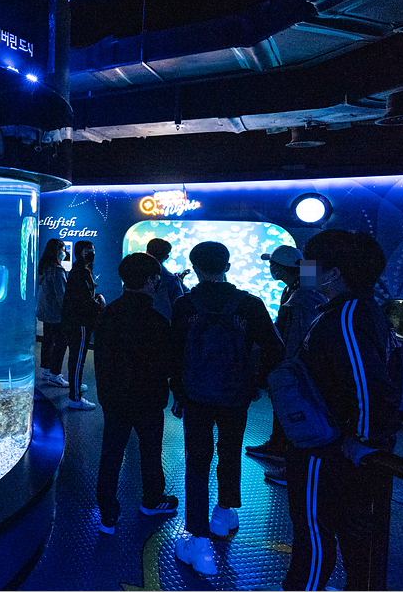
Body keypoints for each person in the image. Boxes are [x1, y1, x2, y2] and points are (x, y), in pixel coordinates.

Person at [282, 230, 401, 591]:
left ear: (332, 272)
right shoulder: (351, 310)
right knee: (350, 529)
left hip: (326, 448)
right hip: (333, 444)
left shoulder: (347, 315)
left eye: (308, 261)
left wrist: (362, 441)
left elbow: (368, 385)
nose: (302, 267)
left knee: (314, 531)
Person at [171, 241, 284, 575]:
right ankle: (224, 513)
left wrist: (177, 392)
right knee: (230, 452)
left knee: (197, 461)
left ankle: (199, 543)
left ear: (194, 266)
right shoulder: (249, 304)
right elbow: (274, 349)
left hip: (195, 397)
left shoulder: (183, 304)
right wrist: (255, 383)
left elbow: (174, 354)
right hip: (236, 396)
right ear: (228, 265)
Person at [93, 253, 179, 533]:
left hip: (113, 397)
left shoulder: (108, 314)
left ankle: (107, 511)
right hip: (148, 398)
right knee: (151, 449)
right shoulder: (157, 320)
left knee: (111, 451)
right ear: (152, 280)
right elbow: (167, 363)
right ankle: (153, 499)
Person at [245, 244, 327, 486]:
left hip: (297, 365)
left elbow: (298, 332)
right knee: (286, 405)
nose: (270, 269)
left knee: (296, 408)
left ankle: (294, 465)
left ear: (281, 268)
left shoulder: (302, 295)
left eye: (272, 265)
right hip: (297, 362)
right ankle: (278, 445)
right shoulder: (300, 285)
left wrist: (288, 366)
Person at [60, 240, 105, 410]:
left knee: (77, 359)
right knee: (77, 359)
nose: (92, 253)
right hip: (79, 322)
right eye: (88, 250)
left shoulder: (82, 270)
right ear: (80, 252)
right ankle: (75, 398)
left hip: (78, 320)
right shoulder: (79, 272)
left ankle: (76, 387)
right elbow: (81, 300)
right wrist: (99, 304)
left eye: (93, 250)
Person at [36, 239, 70, 388]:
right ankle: (55, 374)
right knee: (61, 343)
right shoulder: (57, 270)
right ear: (57, 251)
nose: (64, 253)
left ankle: (46, 370)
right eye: (62, 250)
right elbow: (62, 295)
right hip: (57, 314)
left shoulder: (44, 268)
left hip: (45, 311)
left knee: (47, 341)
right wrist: (69, 312)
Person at [146, 238, 185, 321]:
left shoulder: (132, 270)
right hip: (163, 322)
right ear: (166, 257)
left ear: (146, 251)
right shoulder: (171, 279)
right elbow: (179, 303)